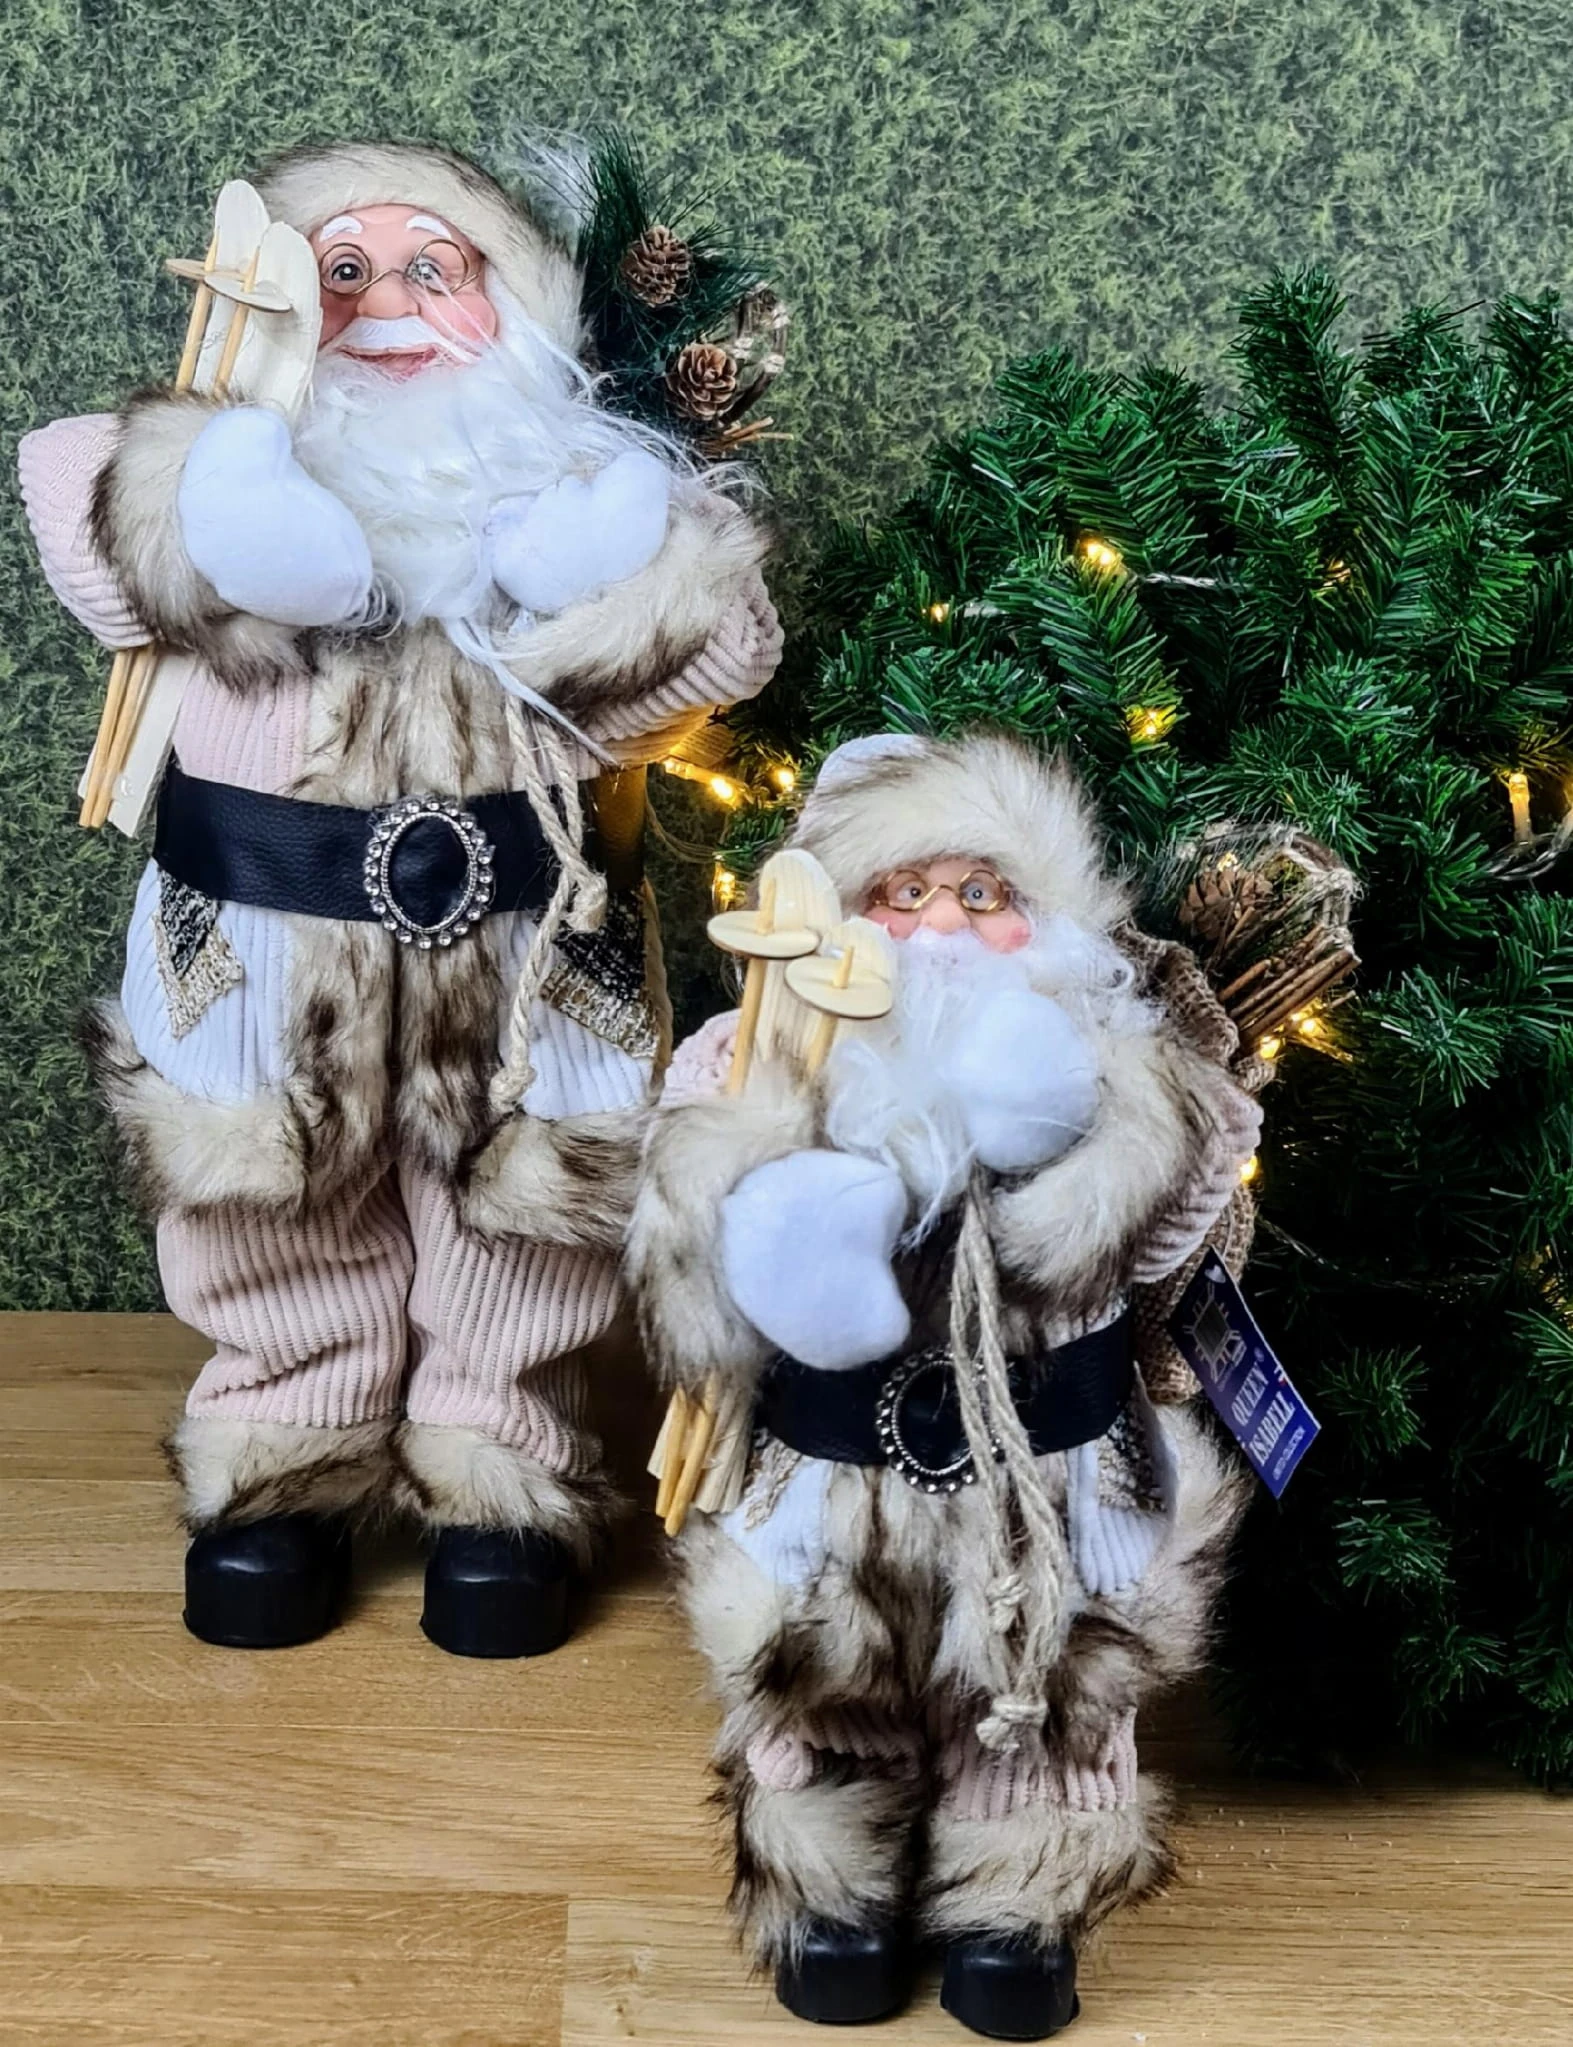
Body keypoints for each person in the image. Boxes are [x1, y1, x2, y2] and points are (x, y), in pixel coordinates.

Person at [18, 142, 781, 1655]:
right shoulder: (210, 479)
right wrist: (213, 488)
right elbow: (82, 520)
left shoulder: (555, 510)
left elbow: (724, 651)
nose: (385, 304)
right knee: (269, 1200)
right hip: (258, 939)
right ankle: (286, 1437)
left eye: (436, 269)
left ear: (520, 307)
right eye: (344, 271)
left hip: (526, 953)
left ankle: (500, 1451)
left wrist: (619, 561)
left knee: (520, 1217)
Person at [628, 731, 1261, 2040]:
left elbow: (1165, 1250)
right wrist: (760, 1168)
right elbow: (686, 1278)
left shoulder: (1117, 1078)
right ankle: (829, 1871)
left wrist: (1137, 1128)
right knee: (820, 1677)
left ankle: (1019, 1887)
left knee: (1039, 1697)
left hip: (1046, 1473)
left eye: (982, 894)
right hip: (831, 1471)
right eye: (903, 894)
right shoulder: (756, 1058)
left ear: (1050, 919)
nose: (943, 930)